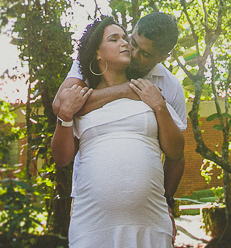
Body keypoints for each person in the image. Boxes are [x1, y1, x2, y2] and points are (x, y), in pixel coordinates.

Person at [51, 16, 185, 248]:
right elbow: (62, 109)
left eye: (144, 54)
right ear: (97, 53)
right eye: (128, 41)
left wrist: (167, 201)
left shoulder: (165, 89)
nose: (131, 52)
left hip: (149, 219)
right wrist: (123, 90)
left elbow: (177, 153)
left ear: (162, 57)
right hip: (92, 219)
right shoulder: (83, 77)